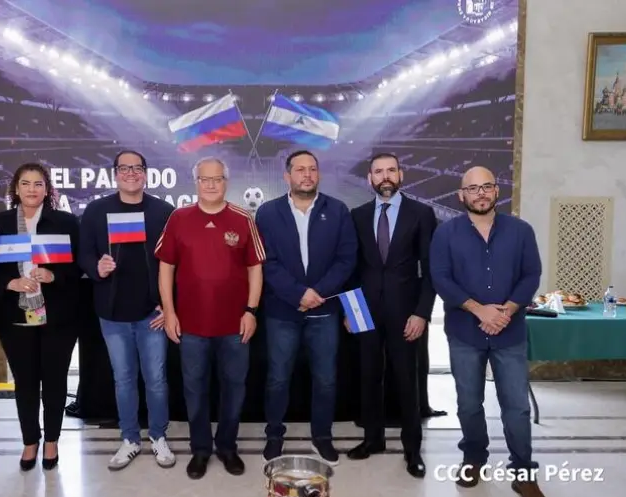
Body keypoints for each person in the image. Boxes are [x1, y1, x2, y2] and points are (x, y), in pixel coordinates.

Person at [430, 166, 547, 497]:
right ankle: (474, 457)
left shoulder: (521, 231)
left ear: (497, 191)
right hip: (465, 333)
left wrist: (506, 311)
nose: (480, 193)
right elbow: (441, 279)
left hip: (509, 332)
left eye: (487, 187)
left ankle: (523, 472)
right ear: (461, 195)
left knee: (517, 407)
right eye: (473, 188)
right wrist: (480, 310)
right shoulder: (445, 233)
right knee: (468, 403)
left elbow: (531, 275)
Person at [155, 156, 264, 479]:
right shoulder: (179, 218)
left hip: (234, 327)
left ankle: (227, 447)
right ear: (196, 183)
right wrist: (170, 311)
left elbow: (255, 268)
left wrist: (251, 311)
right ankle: (201, 449)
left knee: (234, 388)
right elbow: (166, 268)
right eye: (205, 179)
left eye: (217, 179)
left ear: (226, 182)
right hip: (191, 327)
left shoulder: (243, 219)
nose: (211, 184)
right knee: (194, 389)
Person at [0, 162, 81, 472]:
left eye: (38, 184)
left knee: (55, 380)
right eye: (26, 183)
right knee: (25, 381)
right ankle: (30, 441)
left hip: (58, 316)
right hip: (14, 314)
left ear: (47, 189)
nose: (32, 189)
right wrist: (9, 283)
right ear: (16, 189)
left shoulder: (66, 222)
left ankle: (51, 440)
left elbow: (78, 268)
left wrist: (53, 276)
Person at [254, 150, 357, 465]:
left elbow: (346, 259)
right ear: (287, 176)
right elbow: (266, 262)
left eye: (312, 169)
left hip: (325, 311)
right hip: (282, 311)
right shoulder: (268, 213)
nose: (307, 175)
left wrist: (319, 293)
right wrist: (298, 294)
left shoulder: (337, 210)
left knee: (325, 379)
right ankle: (274, 435)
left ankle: (322, 437)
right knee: (278, 378)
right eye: (300, 169)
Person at [78, 150, 176, 470]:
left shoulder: (163, 211)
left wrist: (171, 306)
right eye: (124, 168)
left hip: (152, 313)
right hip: (112, 314)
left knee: (157, 380)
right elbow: (83, 255)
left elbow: (177, 263)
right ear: (115, 173)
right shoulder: (96, 210)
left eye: (137, 168)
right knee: (123, 379)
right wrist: (97, 267)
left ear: (146, 173)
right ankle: (130, 438)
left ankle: (158, 435)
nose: (131, 173)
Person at [347, 152, 436, 478]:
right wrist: (351, 312)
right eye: (378, 172)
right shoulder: (357, 215)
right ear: (370, 178)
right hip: (366, 313)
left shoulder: (421, 213)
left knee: (406, 381)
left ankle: (413, 450)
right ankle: (373, 440)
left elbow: (431, 271)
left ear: (401, 174)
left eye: (390, 170)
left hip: (406, 314)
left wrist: (422, 314)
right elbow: (351, 269)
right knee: (368, 378)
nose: (385, 176)